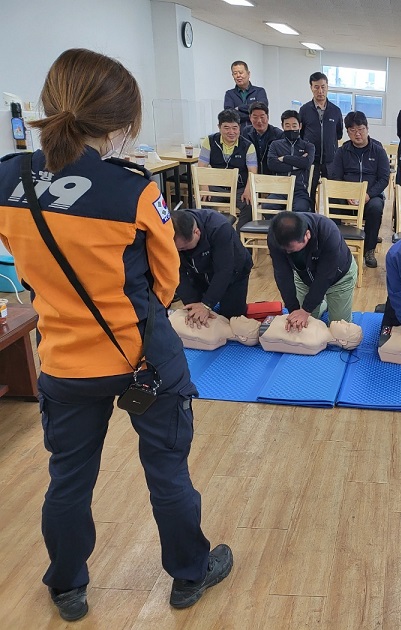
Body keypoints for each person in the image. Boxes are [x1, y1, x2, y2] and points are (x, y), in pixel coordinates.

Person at [0, 48, 231, 623]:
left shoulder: (9, 177)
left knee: (68, 479)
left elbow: (20, 262)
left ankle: (67, 586)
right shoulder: (133, 189)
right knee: (167, 472)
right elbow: (165, 281)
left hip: (61, 361)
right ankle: (188, 574)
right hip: (141, 358)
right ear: (124, 123)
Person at [267, 211, 357, 328]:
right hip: (304, 277)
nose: (288, 253)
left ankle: (321, 302)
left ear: (307, 235)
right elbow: (282, 275)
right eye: (285, 250)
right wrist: (294, 310)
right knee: (302, 326)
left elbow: (325, 276)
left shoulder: (328, 232)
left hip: (339, 278)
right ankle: (321, 303)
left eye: (292, 250)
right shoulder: (275, 237)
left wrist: (306, 310)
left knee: (339, 329)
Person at [328, 111, 390, 268]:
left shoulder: (378, 150)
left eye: (361, 129)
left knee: (376, 207)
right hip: (347, 194)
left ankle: (369, 249)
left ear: (367, 128)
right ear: (347, 132)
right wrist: (348, 193)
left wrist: (368, 195)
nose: (357, 134)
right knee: (332, 202)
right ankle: (337, 246)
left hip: (370, 195)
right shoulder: (342, 151)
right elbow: (336, 177)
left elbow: (384, 178)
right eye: (352, 130)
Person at [172, 209, 253, 323]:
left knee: (232, 319)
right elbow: (176, 272)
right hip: (196, 272)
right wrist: (192, 303)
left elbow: (224, 270)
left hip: (234, 271)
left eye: (183, 248)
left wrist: (207, 304)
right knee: (196, 317)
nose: (179, 251)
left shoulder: (219, 227)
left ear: (197, 232)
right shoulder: (168, 231)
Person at [196, 109, 257, 231]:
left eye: (234, 128)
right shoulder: (209, 141)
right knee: (199, 204)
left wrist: (248, 189)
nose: (231, 132)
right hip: (216, 186)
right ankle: (209, 235)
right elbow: (201, 167)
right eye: (226, 128)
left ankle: (239, 238)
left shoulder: (248, 145)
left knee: (249, 206)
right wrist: (204, 187)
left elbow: (252, 172)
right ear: (219, 127)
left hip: (239, 189)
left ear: (239, 128)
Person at [300, 72, 343, 210]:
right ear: (311, 88)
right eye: (316, 87)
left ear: (327, 87)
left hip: (331, 160)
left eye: (323, 87)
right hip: (311, 161)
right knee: (309, 193)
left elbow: (339, 133)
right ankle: (310, 221)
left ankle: (333, 224)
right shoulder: (304, 110)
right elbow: (301, 134)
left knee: (333, 194)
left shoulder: (336, 111)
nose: (320, 91)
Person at [266, 110, 316, 213]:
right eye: (287, 125)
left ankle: (296, 229)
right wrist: (298, 164)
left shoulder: (308, 146)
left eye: (294, 125)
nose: (291, 128)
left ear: (300, 126)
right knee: (268, 206)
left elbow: (306, 163)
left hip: (299, 190)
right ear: (282, 126)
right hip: (279, 189)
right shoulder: (275, 144)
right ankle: (279, 229)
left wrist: (284, 158)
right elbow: (272, 164)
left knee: (301, 210)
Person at [223, 60, 268, 127]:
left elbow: (261, 109)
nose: (238, 76)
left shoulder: (259, 91)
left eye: (241, 73)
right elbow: (229, 115)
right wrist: (252, 115)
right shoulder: (229, 94)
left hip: (257, 131)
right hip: (238, 133)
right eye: (235, 73)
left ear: (248, 74)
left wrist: (239, 108)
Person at [243, 102, 282, 175]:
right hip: (251, 176)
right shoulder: (245, 132)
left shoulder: (278, 135)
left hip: (272, 177)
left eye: (262, 117)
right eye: (255, 117)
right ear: (250, 118)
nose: (259, 121)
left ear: (267, 117)